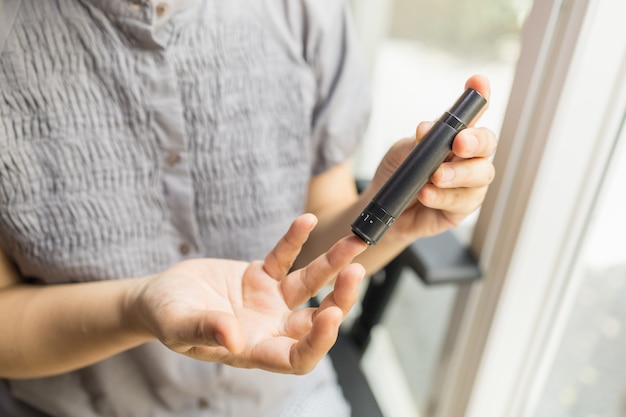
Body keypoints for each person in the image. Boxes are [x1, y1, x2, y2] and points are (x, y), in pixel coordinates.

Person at [0, 0, 497, 416]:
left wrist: (392, 221)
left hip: (286, 398)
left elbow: (313, 243)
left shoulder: (304, 11)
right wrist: (137, 306)